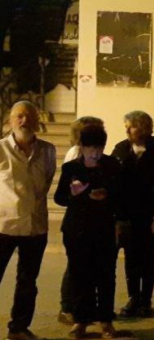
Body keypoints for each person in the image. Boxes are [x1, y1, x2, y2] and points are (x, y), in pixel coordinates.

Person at [54, 125, 122, 339]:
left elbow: (123, 195)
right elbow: (59, 198)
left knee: (105, 275)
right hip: (77, 229)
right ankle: (80, 320)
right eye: (90, 148)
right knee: (79, 274)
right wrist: (76, 195)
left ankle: (105, 320)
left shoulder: (112, 165)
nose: (95, 153)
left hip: (104, 228)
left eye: (99, 148)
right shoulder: (71, 168)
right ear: (81, 147)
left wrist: (107, 195)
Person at [0, 101, 58, 340]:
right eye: (19, 117)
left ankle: (19, 328)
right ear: (10, 121)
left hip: (36, 226)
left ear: (37, 120)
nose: (24, 121)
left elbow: (46, 181)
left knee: (27, 281)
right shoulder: (1, 149)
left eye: (29, 116)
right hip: (4, 225)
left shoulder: (48, 150)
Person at [111, 110, 154, 317]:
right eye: (126, 126)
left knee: (147, 258)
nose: (127, 130)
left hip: (149, 213)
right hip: (126, 213)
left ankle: (146, 300)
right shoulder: (120, 148)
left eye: (132, 126)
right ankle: (133, 297)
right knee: (130, 258)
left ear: (144, 127)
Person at [58, 115, 104, 326]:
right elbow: (67, 191)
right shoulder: (75, 156)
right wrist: (82, 194)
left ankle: (84, 308)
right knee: (75, 269)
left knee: (87, 268)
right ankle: (68, 307)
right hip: (78, 221)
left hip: (94, 221)